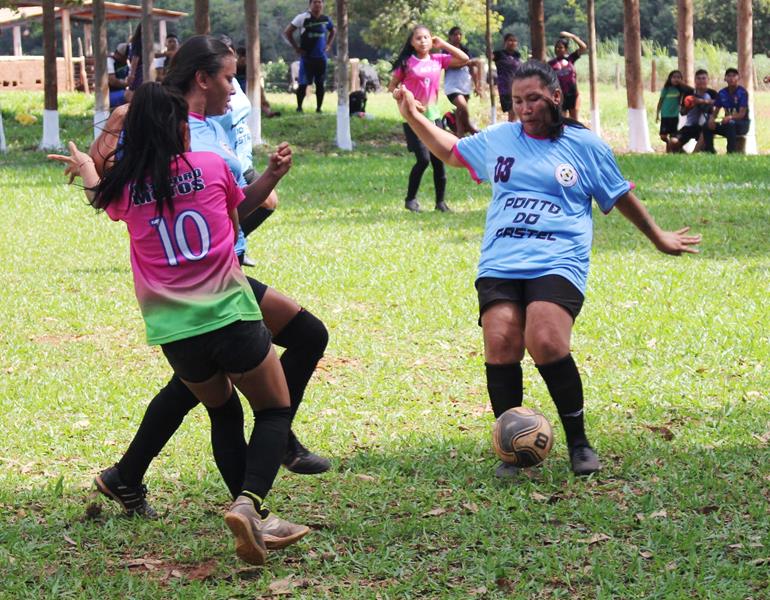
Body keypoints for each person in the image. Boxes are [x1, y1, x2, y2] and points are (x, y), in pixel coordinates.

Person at [392, 60, 701, 479]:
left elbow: (618, 194)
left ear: (556, 96)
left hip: (558, 258)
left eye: (534, 98)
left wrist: (657, 235)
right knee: (500, 340)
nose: (525, 108)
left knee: (546, 339)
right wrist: (413, 115)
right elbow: (452, 151)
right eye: (518, 100)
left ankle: (579, 441)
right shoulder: (501, 139)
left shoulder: (584, 145)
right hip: (501, 259)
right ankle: (511, 448)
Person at [49, 82, 309, 565]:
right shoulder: (211, 167)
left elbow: (99, 196)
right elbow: (237, 217)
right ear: (179, 129)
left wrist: (87, 165)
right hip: (229, 315)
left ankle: (254, 514)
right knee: (274, 410)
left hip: (175, 332)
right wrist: (271, 176)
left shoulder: (124, 189)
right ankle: (249, 504)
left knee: (223, 412)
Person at [86, 35, 331, 520]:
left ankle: (126, 474)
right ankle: (267, 462)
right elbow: (225, 201)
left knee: (201, 382)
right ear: (202, 78)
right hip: (216, 282)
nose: (233, 85)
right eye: (227, 75)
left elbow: (110, 194)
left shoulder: (206, 128)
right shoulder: (186, 138)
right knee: (248, 381)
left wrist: (268, 181)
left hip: (183, 295)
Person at [387, 25, 468, 213]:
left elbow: (464, 59)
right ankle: (410, 200)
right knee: (423, 159)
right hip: (413, 118)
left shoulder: (437, 59)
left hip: (434, 118)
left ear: (431, 40)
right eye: (418, 38)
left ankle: (440, 203)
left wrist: (444, 44)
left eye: (426, 37)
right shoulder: (407, 63)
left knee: (439, 160)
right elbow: (392, 87)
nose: (423, 41)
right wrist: (402, 95)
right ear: (412, 43)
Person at [284, 0, 335, 113]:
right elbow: (288, 32)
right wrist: (296, 47)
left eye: (320, 2)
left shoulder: (326, 19)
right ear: (310, 4)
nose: (317, 4)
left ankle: (319, 108)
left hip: (321, 57)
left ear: (323, 4)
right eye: (315, 2)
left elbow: (333, 31)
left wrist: (328, 45)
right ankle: (299, 107)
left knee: (320, 84)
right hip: (307, 57)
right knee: (303, 83)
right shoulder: (302, 18)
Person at [444, 26, 481, 137]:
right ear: (450, 37)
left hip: (465, 85)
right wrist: (468, 62)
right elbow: (450, 65)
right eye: (455, 34)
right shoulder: (446, 51)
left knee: (460, 113)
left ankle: (460, 135)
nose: (458, 36)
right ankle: (470, 127)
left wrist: (477, 85)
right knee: (463, 107)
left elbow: (473, 68)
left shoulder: (465, 50)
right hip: (452, 87)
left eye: (460, 34)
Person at [702, 68, 750, 154]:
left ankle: (731, 152)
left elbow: (742, 114)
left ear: (738, 78)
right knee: (707, 126)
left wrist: (730, 117)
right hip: (727, 124)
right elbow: (716, 111)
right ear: (725, 78)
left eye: (734, 76)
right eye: (729, 76)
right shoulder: (722, 93)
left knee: (730, 124)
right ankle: (710, 151)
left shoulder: (742, 93)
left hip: (742, 125)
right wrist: (712, 119)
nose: (731, 78)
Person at [670, 69, 716, 153]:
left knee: (707, 149)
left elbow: (718, 103)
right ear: (695, 80)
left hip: (705, 127)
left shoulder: (712, 93)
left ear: (708, 80)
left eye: (703, 78)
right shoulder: (689, 94)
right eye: (698, 78)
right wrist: (688, 107)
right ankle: (686, 158)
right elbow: (683, 113)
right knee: (673, 142)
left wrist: (702, 101)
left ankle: (694, 155)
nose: (701, 81)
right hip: (689, 126)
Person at [547, 31, 587, 120]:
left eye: (560, 47)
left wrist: (572, 36)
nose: (558, 49)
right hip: (560, 95)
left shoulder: (571, 59)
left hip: (573, 94)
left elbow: (583, 47)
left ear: (566, 49)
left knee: (574, 121)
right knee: (562, 121)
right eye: (556, 47)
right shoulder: (551, 64)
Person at [655, 70, 689, 153]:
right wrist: (657, 114)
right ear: (670, 78)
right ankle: (670, 145)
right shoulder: (666, 89)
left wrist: (682, 84)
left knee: (672, 135)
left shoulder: (680, 90)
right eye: (674, 77)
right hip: (665, 115)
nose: (676, 79)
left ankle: (670, 152)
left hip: (674, 116)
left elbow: (690, 90)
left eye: (678, 77)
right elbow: (660, 101)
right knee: (663, 136)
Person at [493, 33, 522, 122]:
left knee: (517, 111)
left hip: (518, 88)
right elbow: (489, 56)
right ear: (505, 42)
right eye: (510, 40)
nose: (512, 43)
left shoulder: (517, 56)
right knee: (512, 111)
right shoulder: (499, 54)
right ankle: (512, 131)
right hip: (505, 88)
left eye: (514, 41)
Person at [107, 42, 132, 109]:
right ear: (118, 54)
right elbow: (113, 81)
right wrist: (127, 83)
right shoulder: (109, 61)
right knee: (130, 95)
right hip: (110, 95)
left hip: (124, 91)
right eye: (125, 57)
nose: (126, 59)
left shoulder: (126, 63)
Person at [126, 24, 143, 91]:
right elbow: (135, 58)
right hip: (139, 70)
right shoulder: (138, 41)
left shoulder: (145, 40)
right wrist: (132, 74)